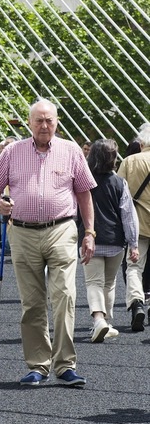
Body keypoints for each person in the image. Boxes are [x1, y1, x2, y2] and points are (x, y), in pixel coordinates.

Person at [0, 98, 96, 387]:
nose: (44, 125)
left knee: (65, 297)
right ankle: (37, 365)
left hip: (61, 229)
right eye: (39, 120)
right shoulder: (12, 151)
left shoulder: (71, 151)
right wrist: (0, 204)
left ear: (57, 122)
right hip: (22, 232)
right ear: (29, 123)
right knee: (32, 303)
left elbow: (84, 193)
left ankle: (65, 364)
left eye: (49, 120)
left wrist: (90, 233)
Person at [78, 139, 138, 342]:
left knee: (93, 281)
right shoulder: (119, 182)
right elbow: (128, 215)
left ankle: (98, 320)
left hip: (90, 239)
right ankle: (106, 322)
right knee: (109, 283)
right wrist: (134, 243)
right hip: (115, 241)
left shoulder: (84, 181)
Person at [117, 123, 150, 331]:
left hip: (138, 224)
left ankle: (137, 302)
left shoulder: (130, 161)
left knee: (134, 267)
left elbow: (119, 190)